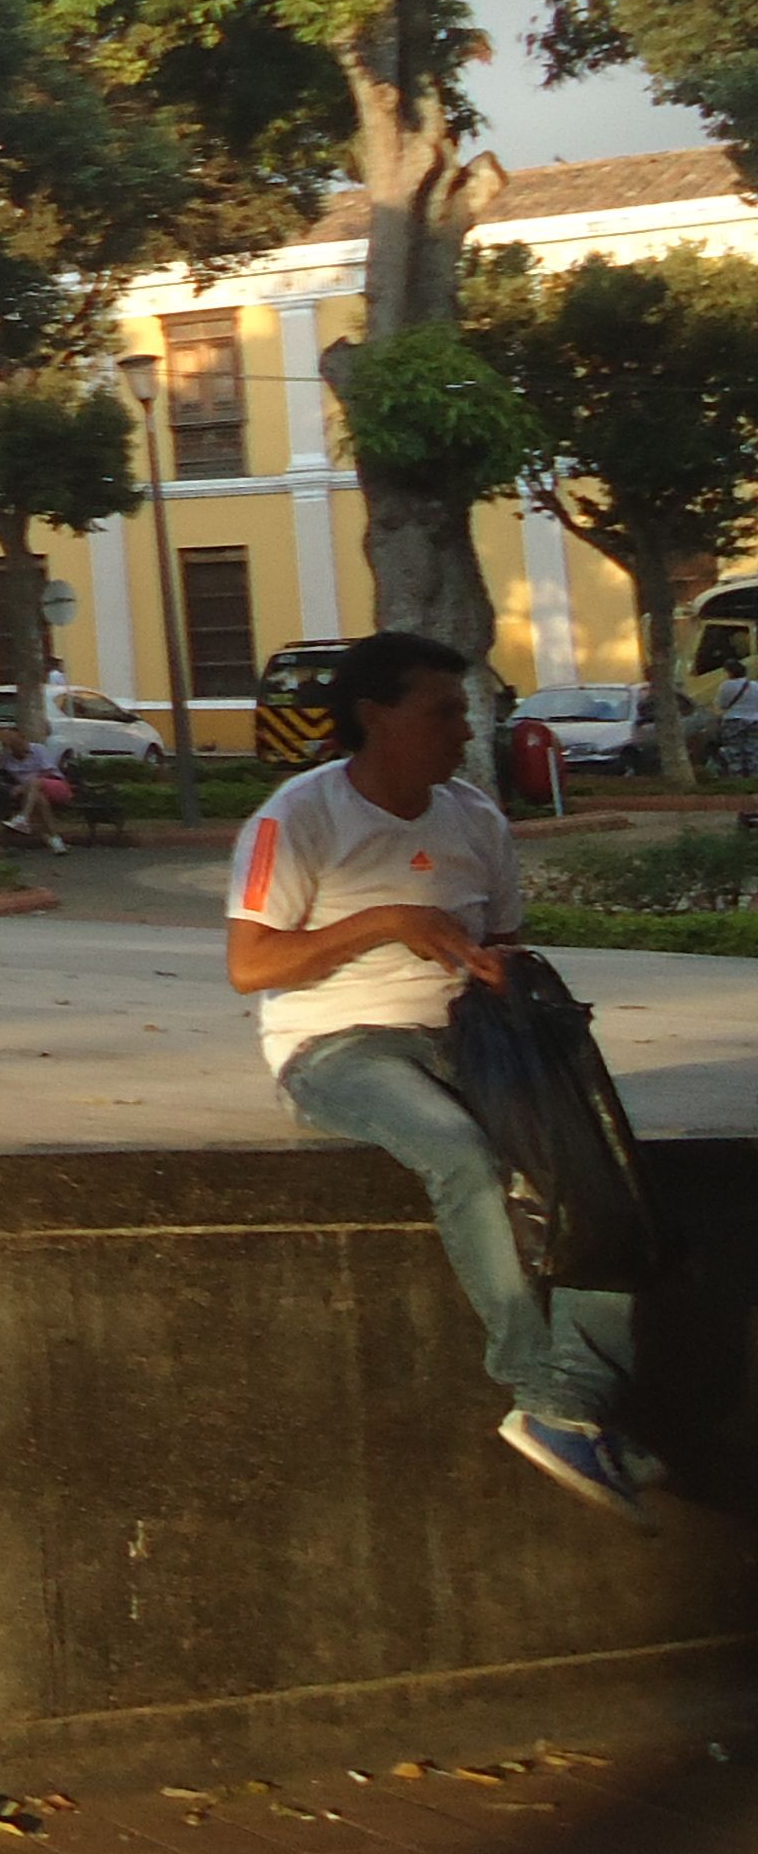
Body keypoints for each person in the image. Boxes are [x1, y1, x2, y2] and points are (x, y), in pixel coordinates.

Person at [228, 627, 648, 1520]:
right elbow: (252, 966)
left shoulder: (475, 819)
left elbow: (497, 938)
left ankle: (581, 1403)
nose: (464, 729)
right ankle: (545, 1393)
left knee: (592, 1164)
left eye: (465, 711)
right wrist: (383, 921)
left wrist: (499, 970)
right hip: (339, 1047)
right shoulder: (297, 816)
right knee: (459, 1152)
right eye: (443, 710)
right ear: (375, 717)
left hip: (473, 1040)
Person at [0, 722, 74, 854]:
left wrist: (23, 786)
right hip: (33, 794)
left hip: (56, 786)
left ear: (25, 739)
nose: (21, 747)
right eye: (14, 745)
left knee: (34, 782)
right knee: (39, 799)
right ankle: (56, 841)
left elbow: (48, 772)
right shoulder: (6, 757)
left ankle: (23, 818)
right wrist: (2, 751)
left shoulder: (38, 749)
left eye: (21, 742)